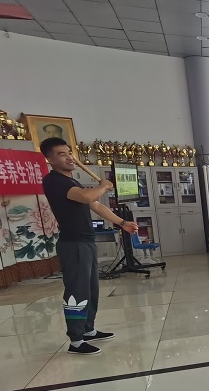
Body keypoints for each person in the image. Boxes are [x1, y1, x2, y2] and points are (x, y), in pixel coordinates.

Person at [40, 137, 139, 355]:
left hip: (85, 242)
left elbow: (96, 206)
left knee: (91, 289)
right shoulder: (54, 181)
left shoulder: (72, 182)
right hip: (73, 244)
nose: (69, 157)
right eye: (61, 154)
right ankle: (76, 340)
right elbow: (87, 197)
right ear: (50, 159)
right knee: (77, 290)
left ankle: (88, 329)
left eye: (69, 152)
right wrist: (103, 185)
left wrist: (122, 223)